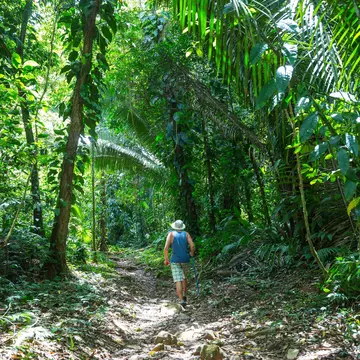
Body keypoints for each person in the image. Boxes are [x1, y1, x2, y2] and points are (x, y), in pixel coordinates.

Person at [164, 220, 195, 307]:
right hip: (185, 259)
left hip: (175, 260)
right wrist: (191, 253)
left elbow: (166, 248)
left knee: (178, 280)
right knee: (184, 278)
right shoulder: (186, 234)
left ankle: (181, 300)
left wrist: (166, 259)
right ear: (182, 227)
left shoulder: (171, 234)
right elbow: (192, 246)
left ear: (175, 227)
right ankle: (185, 295)